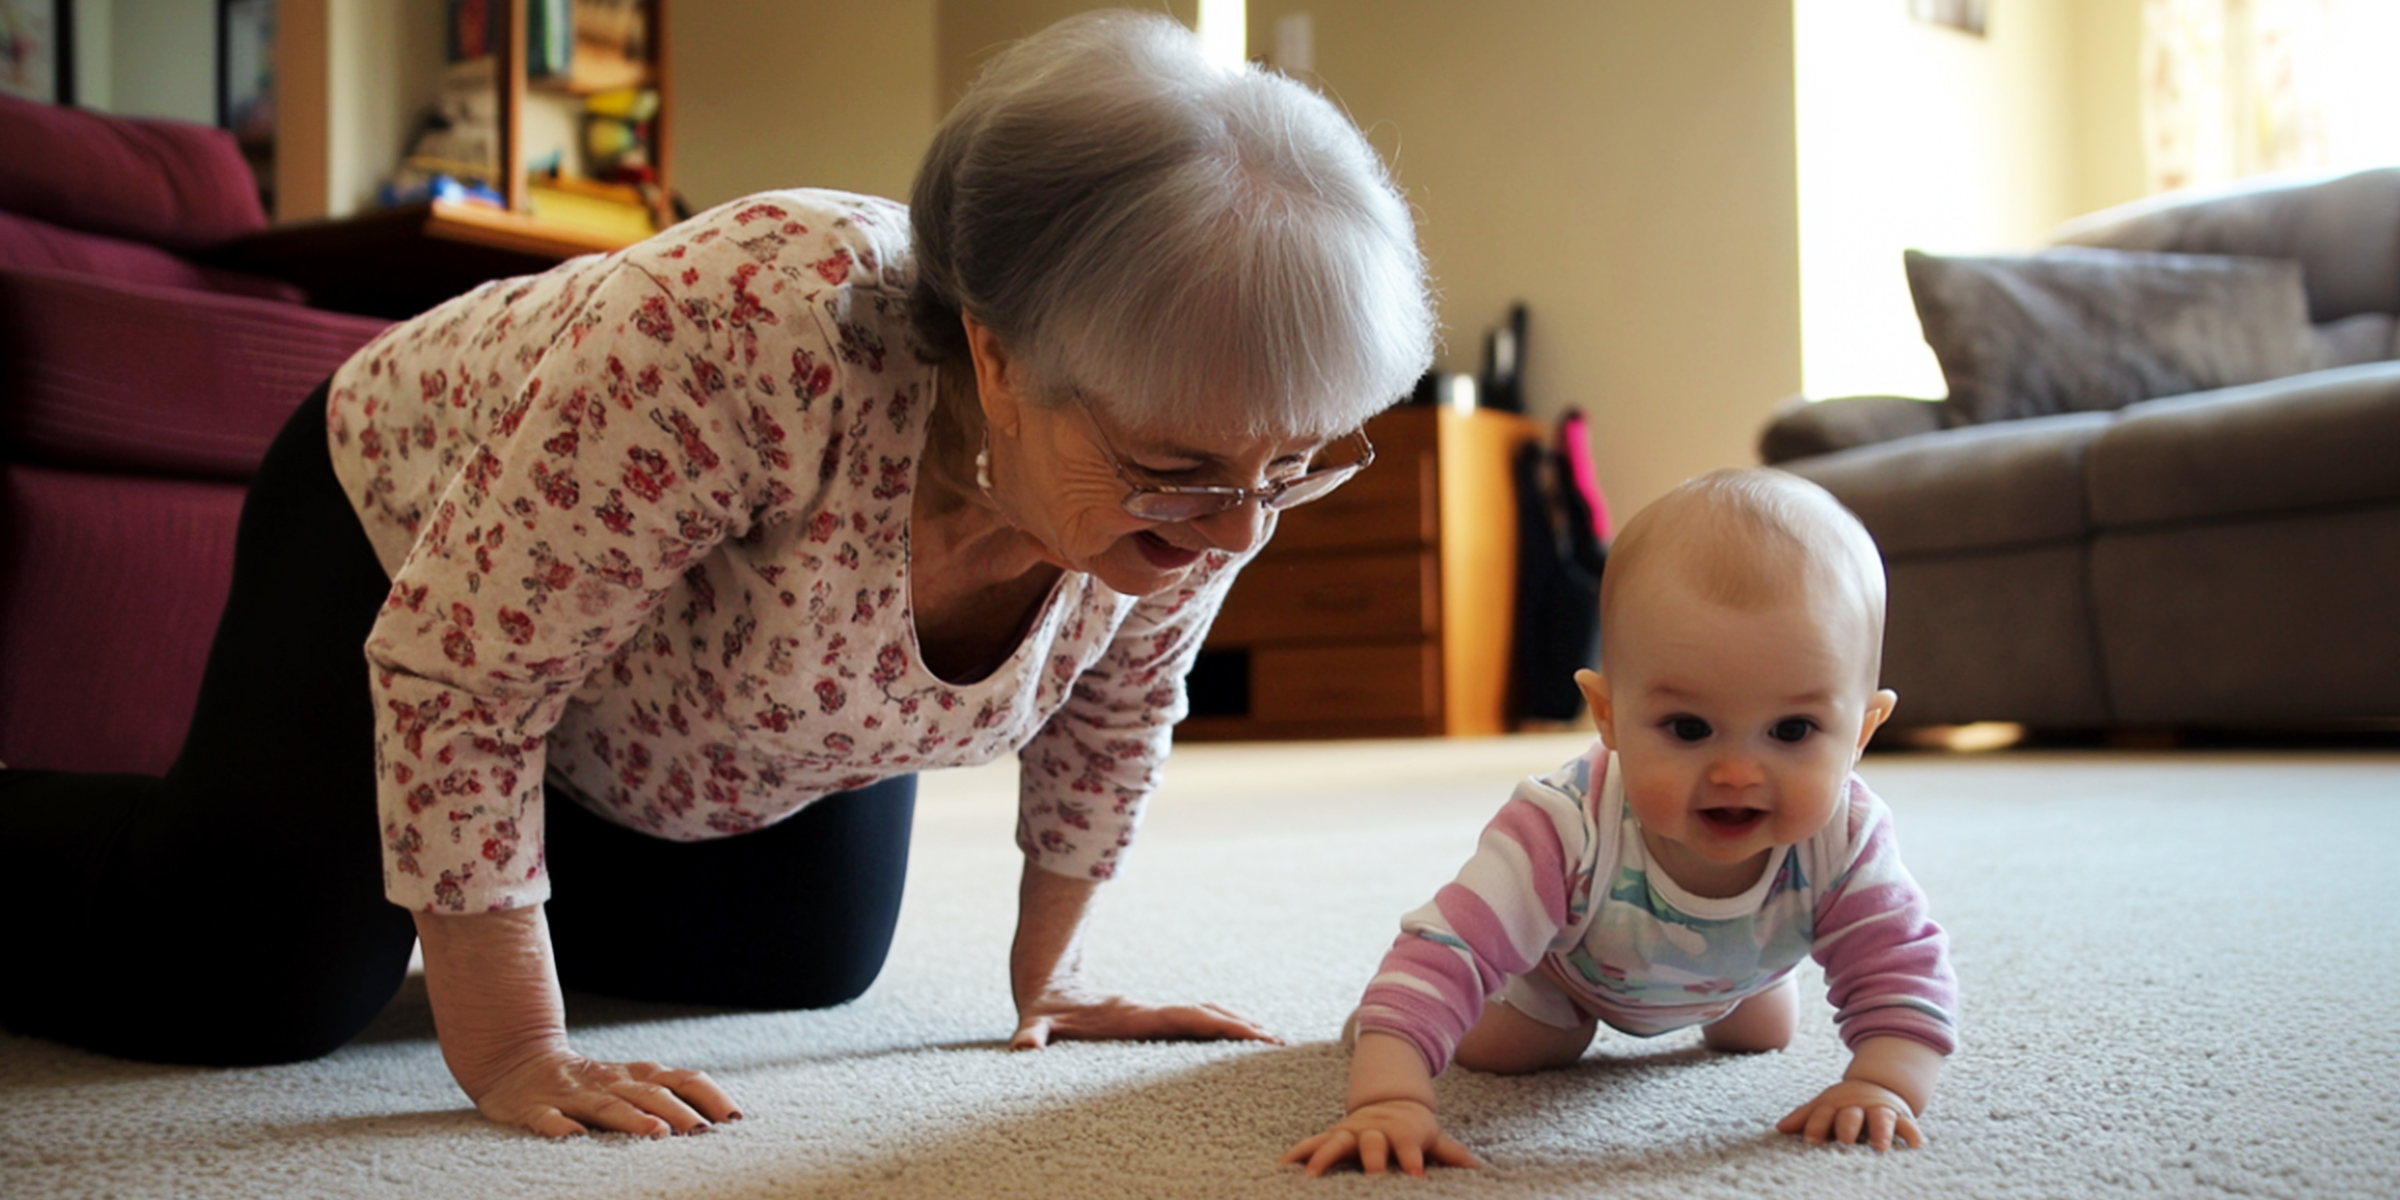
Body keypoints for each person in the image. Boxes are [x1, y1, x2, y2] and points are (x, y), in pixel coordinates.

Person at [0, 10, 1433, 1138]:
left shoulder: (1204, 443)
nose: (1240, 526)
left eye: (1294, 465)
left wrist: (1042, 977)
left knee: (794, 958)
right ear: (998, 357)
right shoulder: (749, 327)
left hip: (684, 674)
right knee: (268, 977)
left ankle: (500, 852)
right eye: (1185, 468)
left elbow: (1122, 705)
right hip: (407, 515)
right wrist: (512, 1049)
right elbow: (469, 665)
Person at [1283, 468, 1958, 1177]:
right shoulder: (1562, 826)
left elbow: (1901, 965)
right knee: (1527, 1049)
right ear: (1607, 715)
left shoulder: (1845, 836)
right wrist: (1389, 1094)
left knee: (1760, 1035)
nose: (1737, 772)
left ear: (1862, 731)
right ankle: (1391, 1026)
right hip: (1572, 975)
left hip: (1743, 972)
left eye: (1792, 730)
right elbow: (1449, 949)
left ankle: (1749, 979)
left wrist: (1883, 1082)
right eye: (1689, 728)